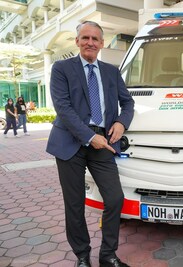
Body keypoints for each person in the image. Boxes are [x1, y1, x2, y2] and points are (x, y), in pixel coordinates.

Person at [46, 21, 134, 267]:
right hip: (69, 142)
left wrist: (121, 123)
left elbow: (128, 103)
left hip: (103, 142)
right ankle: (82, 256)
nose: (90, 43)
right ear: (77, 41)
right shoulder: (62, 68)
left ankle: (108, 255)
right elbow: (63, 108)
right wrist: (89, 136)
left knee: (115, 198)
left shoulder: (111, 71)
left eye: (95, 39)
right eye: (85, 38)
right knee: (74, 205)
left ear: (102, 43)